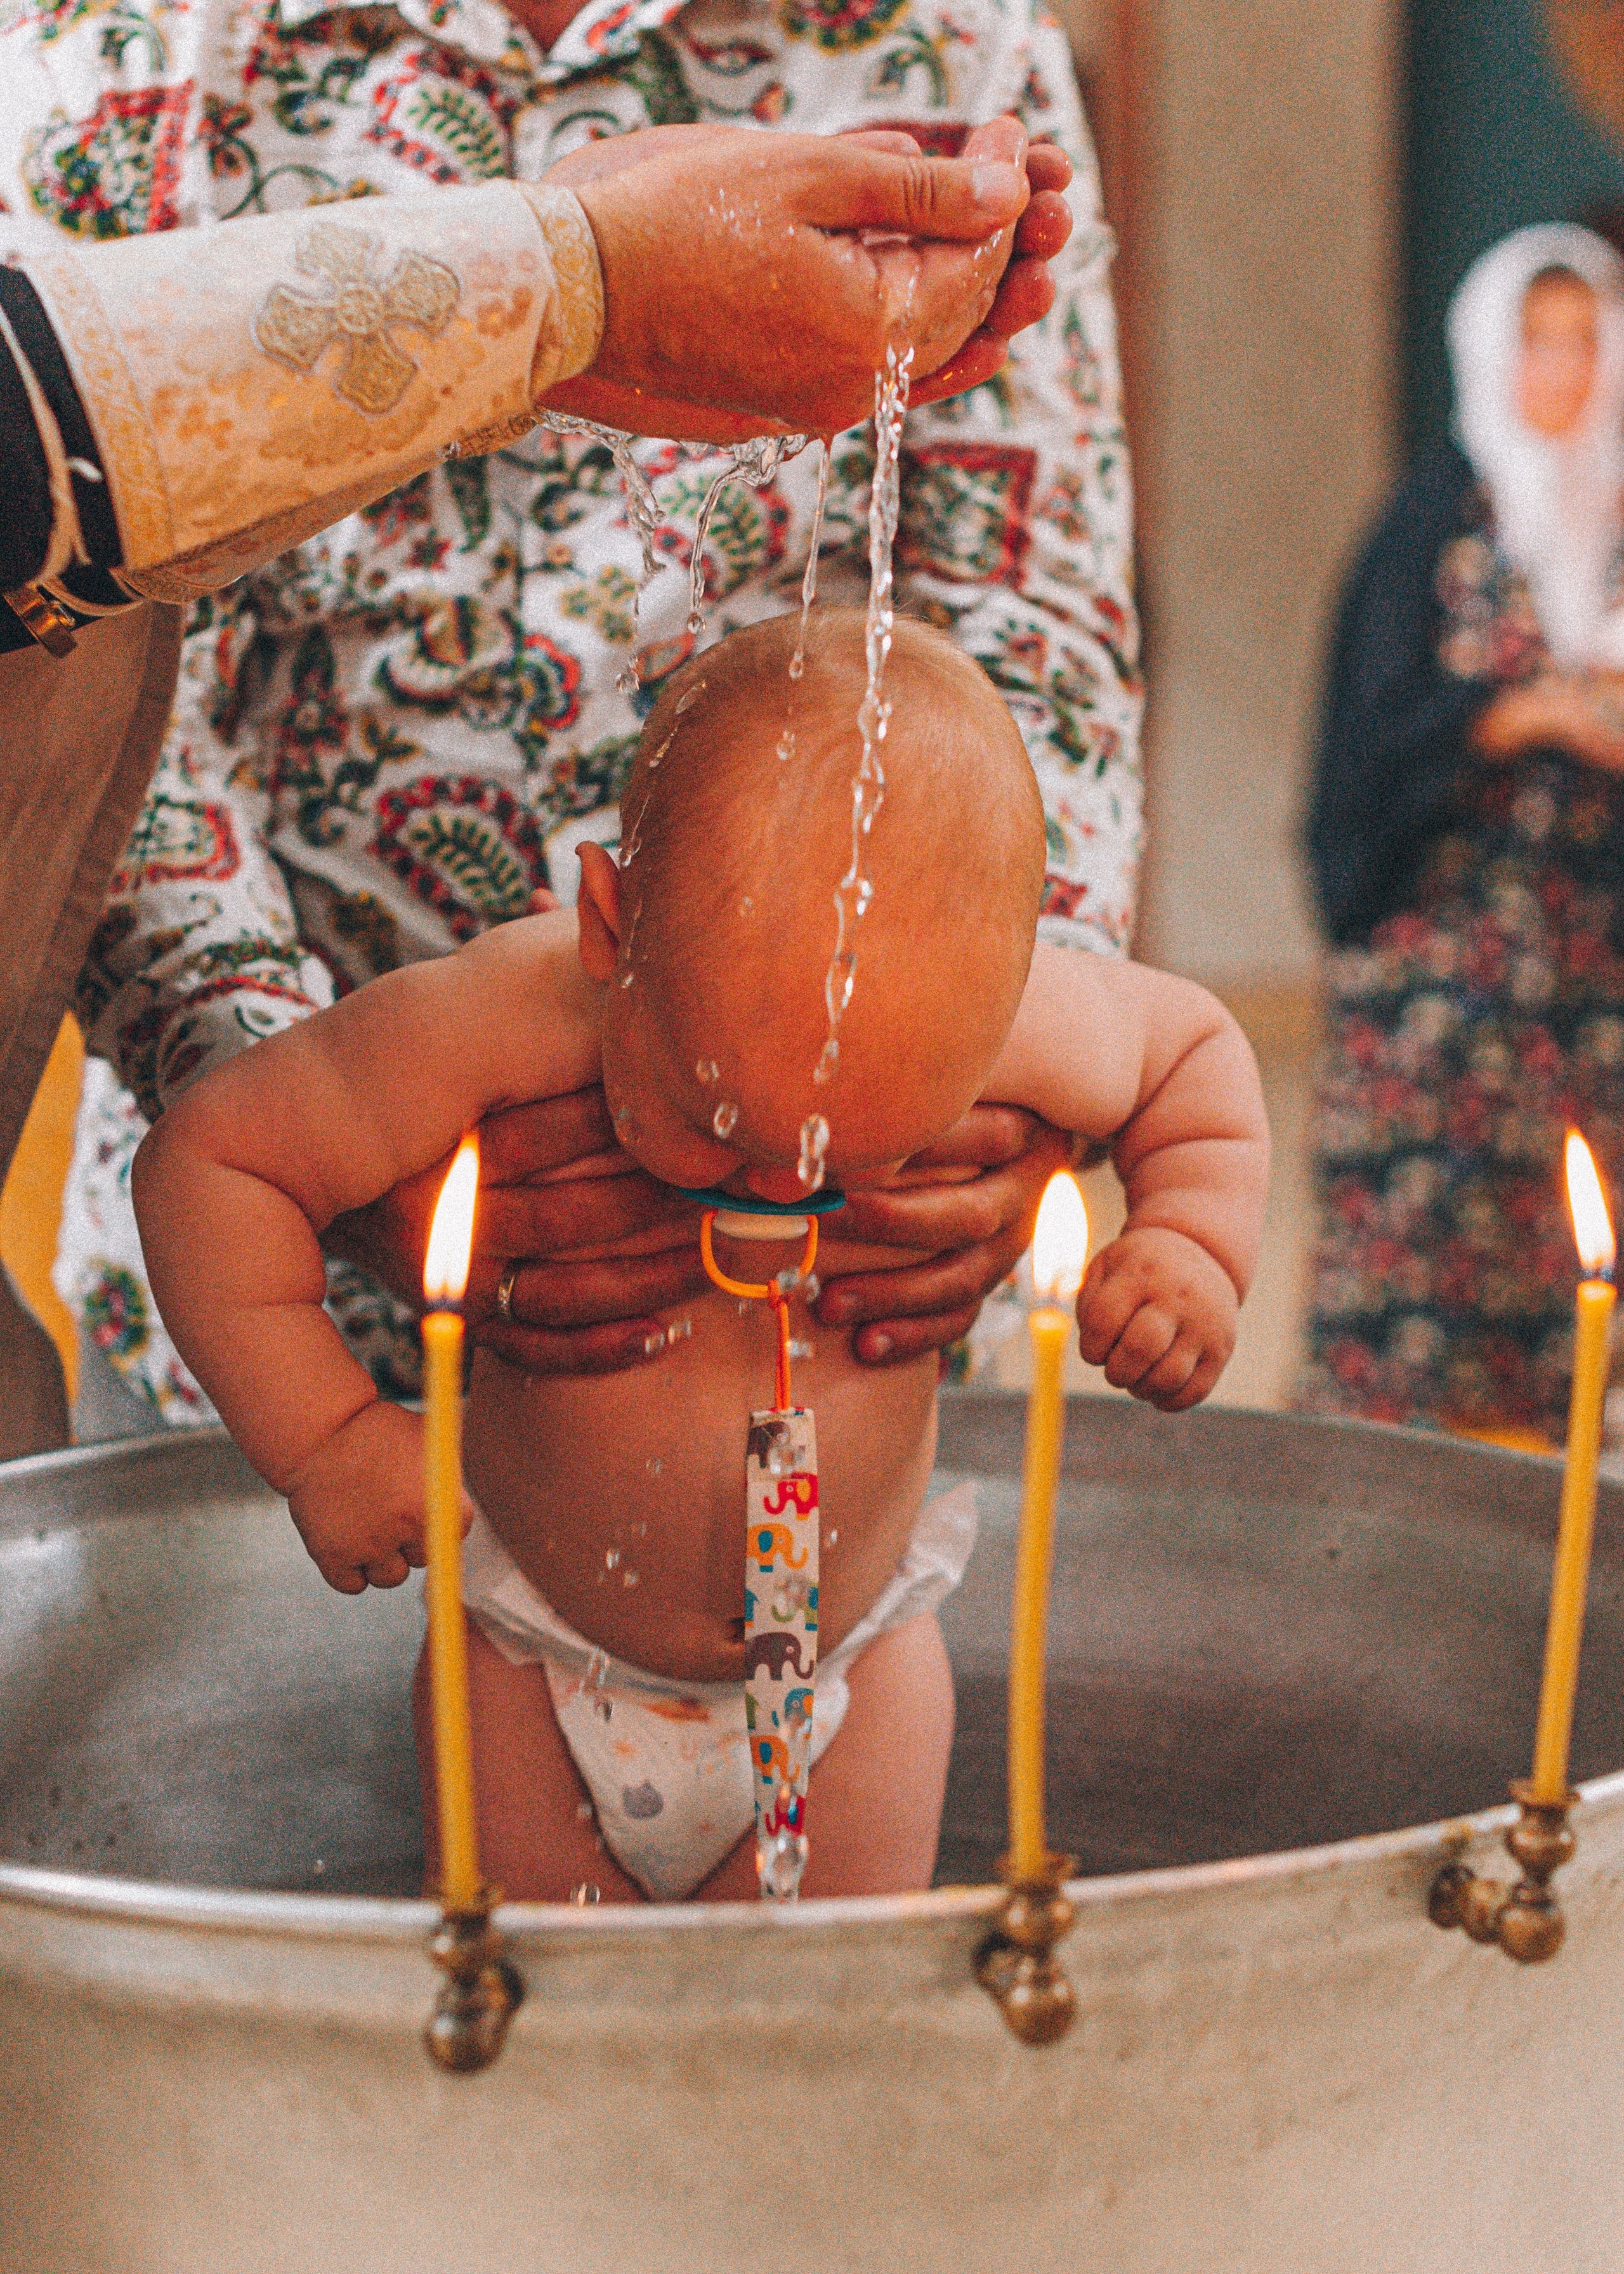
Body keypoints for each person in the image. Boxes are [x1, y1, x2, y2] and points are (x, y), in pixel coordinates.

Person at [0, 0, 1139, 1430]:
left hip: (825, 1292)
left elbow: (1028, 605)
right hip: (265, 1326)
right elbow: (70, 623)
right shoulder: (128, 27)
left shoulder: (951, 40)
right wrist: (299, 1127)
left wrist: (994, 1058)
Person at [131, 610, 1269, 1902]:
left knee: (813, 2042)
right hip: (538, 1662)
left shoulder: (1002, 1013)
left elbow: (1193, 1053)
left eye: (858, 1154)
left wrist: (1188, 1242)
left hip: (853, 1670)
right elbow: (214, 1162)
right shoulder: (501, 1017)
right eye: (718, 1134)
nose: (786, 1192)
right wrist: (326, 1432)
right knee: (541, 2037)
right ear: (609, 929)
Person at [1300, 223, 1624, 1440]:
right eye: (1536, 340)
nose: (1564, 367)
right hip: (1438, 982)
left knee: (1576, 1303)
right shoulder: (1430, 525)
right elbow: (1370, 736)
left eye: (1587, 339)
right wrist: (1529, 712)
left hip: (1591, 981)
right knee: (1418, 1320)